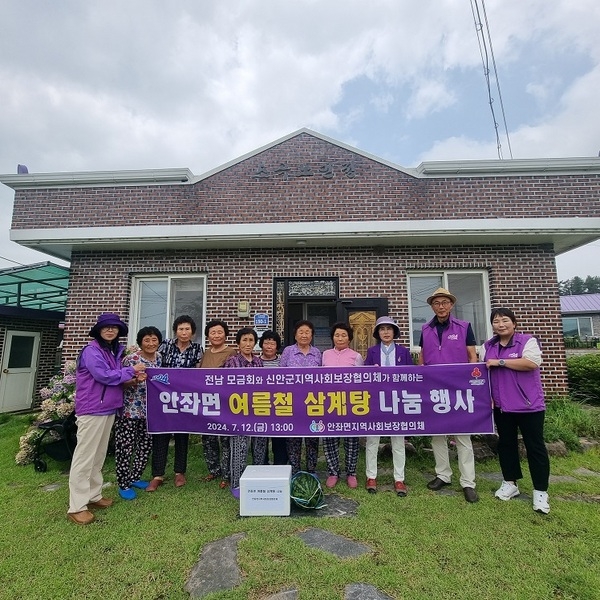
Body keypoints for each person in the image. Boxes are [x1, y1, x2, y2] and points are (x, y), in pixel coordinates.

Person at [67, 313, 146, 525]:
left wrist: (131, 381)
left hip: (108, 408)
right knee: (85, 456)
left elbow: (114, 379)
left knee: (98, 455)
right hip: (92, 409)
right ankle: (76, 506)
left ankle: (93, 495)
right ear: (99, 330)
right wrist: (131, 370)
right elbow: (103, 375)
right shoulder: (92, 351)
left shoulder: (112, 351)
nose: (111, 330)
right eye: (106, 327)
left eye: (115, 327)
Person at [480, 307, 550, 514]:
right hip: (502, 407)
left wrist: (501, 362)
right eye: (496, 321)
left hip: (529, 406)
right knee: (506, 445)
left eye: (505, 320)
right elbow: (483, 373)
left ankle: (540, 492)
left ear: (514, 323)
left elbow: (531, 363)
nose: (500, 325)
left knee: (535, 447)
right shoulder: (487, 346)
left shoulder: (527, 341)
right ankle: (510, 483)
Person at [419, 287, 479, 503]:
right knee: (438, 435)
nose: (441, 306)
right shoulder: (425, 329)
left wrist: (470, 383)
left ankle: (468, 482)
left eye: (445, 302)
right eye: (437, 303)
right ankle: (443, 475)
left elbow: (472, 355)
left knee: (462, 437)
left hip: (459, 389)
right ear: (432, 306)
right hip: (434, 390)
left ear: (451, 305)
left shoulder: (464, 327)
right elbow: (423, 359)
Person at [146, 315, 203, 492]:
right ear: (175, 331)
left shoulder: (197, 349)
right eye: (180, 329)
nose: (184, 332)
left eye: (187, 329)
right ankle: (157, 474)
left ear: (192, 332)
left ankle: (180, 472)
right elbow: (155, 365)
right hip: (163, 396)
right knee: (161, 434)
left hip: (185, 397)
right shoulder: (166, 346)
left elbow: (198, 372)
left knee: (181, 434)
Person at [364, 316, 413, 497]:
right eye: (382, 329)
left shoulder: (404, 352)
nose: (385, 332)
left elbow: (411, 376)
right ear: (377, 333)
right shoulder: (372, 352)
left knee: (398, 442)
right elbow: (365, 378)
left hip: (397, 401)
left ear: (394, 332)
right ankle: (371, 477)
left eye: (389, 329)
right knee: (372, 441)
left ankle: (399, 479)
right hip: (376, 401)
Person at [114, 326, 162, 500]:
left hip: (150, 411)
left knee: (145, 445)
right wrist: (134, 380)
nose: (150, 343)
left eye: (154, 339)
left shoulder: (160, 358)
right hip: (129, 410)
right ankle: (124, 483)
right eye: (147, 340)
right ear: (140, 342)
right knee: (125, 447)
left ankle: (135, 477)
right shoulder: (131, 359)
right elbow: (119, 383)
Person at [223, 327, 266, 498]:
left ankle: (257, 478)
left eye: (251, 340)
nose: (248, 344)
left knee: (260, 446)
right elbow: (225, 386)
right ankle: (236, 482)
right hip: (238, 411)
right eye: (244, 340)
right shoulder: (232, 361)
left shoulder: (258, 362)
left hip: (258, 409)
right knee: (239, 447)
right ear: (238, 343)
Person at [321, 322, 364, 489]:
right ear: (333, 337)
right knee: (330, 438)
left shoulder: (356, 356)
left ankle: (351, 473)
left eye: (344, 335)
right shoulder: (325, 355)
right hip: (329, 403)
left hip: (350, 404)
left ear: (349, 338)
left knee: (351, 439)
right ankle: (333, 472)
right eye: (337, 335)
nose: (340, 338)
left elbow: (361, 381)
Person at [279, 320, 322, 474]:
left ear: (312, 335)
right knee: (293, 436)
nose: (304, 335)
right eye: (301, 332)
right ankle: (295, 468)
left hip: (313, 401)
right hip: (292, 401)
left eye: (307, 332)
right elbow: (280, 375)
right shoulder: (288, 352)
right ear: (295, 335)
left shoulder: (317, 353)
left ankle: (312, 469)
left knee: (312, 435)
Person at [199, 319, 237, 486]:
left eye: (219, 332)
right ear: (208, 335)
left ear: (225, 334)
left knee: (225, 439)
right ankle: (213, 470)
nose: (216, 335)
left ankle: (226, 474)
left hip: (225, 402)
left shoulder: (231, 353)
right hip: (207, 402)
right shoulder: (205, 353)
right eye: (213, 332)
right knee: (208, 438)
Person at [259, 330, 288, 465]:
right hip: (260, 406)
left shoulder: (283, 362)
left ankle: (280, 466)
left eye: (272, 343)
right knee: (260, 440)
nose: (269, 346)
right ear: (261, 345)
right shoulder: (255, 362)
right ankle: (262, 465)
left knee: (279, 440)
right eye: (266, 343)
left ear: (277, 346)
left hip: (279, 406)